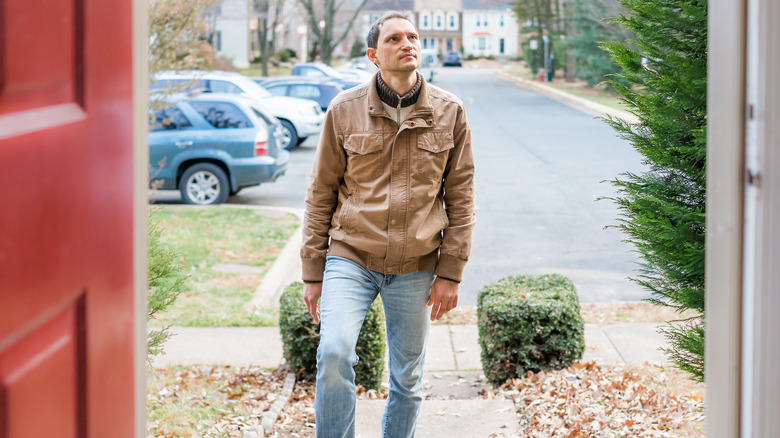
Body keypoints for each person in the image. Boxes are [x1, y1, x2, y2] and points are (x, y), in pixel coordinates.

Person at [300, 10, 475, 438]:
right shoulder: (344, 110)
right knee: (335, 353)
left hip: (417, 264)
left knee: (408, 380)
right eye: (395, 38)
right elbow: (321, 191)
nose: (407, 44)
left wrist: (450, 271)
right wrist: (312, 272)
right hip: (351, 257)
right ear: (373, 55)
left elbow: (462, 197)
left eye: (412, 36)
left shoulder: (450, 111)